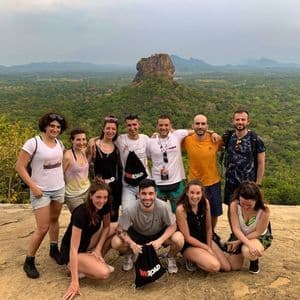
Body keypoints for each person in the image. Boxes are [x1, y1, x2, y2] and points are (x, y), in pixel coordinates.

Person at [15, 112, 67, 278]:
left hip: (58, 188)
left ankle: (53, 248)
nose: (55, 129)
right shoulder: (33, 143)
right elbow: (20, 167)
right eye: (52, 126)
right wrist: (33, 187)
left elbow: (61, 165)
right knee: (43, 227)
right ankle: (29, 260)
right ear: (45, 126)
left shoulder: (59, 143)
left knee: (54, 220)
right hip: (41, 191)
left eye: (58, 127)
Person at [111, 178, 184, 274]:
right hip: (138, 234)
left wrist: (160, 240)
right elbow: (120, 230)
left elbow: (173, 226)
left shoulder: (163, 206)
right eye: (144, 193)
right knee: (115, 242)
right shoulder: (130, 208)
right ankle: (129, 254)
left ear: (156, 194)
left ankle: (170, 257)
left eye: (150, 193)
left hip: (158, 233)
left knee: (179, 239)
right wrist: (132, 244)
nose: (147, 197)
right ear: (138, 194)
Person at [60, 182, 116, 300]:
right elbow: (73, 249)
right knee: (104, 273)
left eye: (105, 197)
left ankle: (93, 258)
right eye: (98, 197)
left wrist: (98, 249)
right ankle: (77, 269)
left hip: (88, 242)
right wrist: (74, 282)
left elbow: (106, 227)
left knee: (116, 227)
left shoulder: (105, 205)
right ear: (91, 196)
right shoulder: (80, 213)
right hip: (72, 251)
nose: (102, 201)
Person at [176, 179, 231, 272]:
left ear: (202, 193)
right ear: (186, 193)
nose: (195, 196)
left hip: (204, 239)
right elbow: (187, 237)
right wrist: (206, 248)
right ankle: (191, 259)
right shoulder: (181, 209)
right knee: (215, 266)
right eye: (192, 193)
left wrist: (209, 246)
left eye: (198, 193)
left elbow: (209, 228)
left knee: (226, 267)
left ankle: (202, 257)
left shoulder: (205, 203)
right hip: (189, 244)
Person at [182, 114, 223, 231]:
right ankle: (195, 233)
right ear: (193, 126)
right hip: (194, 183)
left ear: (207, 126)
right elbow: (170, 133)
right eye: (197, 124)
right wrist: (157, 135)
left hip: (213, 182)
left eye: (203, 124)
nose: (200, 126)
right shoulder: (186, 140)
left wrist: (213, 133)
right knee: (192, 211)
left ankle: (211, 232)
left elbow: (227, 142)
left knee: (214, 212)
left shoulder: (215, 140)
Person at [227, 181, 272, 274]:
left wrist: (241, 242)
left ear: (256, 201)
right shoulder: (234, 205)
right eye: (243, 203)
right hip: (240, 234)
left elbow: (258, 232)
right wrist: (244, 241)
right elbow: (236, 228)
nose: (245, 207)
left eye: (249, 205)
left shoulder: (264, 210)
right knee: (233, 266)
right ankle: (245, 248)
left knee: (248, 251)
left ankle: (254, 261)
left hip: (257, 236)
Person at [146, 115, 189, 213]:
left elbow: (195, 130)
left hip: (176, 183)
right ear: (157, 126)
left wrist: (212, 133)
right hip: (158, 184)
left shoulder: (177, 135)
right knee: (158, 215)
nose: (163, 128)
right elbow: (148, 156)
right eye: (161, 125)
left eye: (166, 125)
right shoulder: (150, 142)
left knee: (180, 213)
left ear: (170, 126)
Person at [224, 110, 266, 205]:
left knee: (250, 211)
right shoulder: (228, 137)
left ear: (248, 121)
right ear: (233, 121)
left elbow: (261, 163)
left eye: (243, 119)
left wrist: (258, 184)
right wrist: (212, 133)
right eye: (237, 119)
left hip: (249, 185)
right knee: (232, 209)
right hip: (231, 184)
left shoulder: (256, 140)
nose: (240, 122)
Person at [88, 115, 123, 222]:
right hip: (99, 186)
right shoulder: (94, 146)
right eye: (108, 128)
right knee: (97, 216)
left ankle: (110, 238)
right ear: (103, 129)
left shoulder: (117, 146)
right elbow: (85, 164)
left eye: (113, 129)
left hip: (115, 187)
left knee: (113, 216)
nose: (110, 131)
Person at [115, 113, 150, 211]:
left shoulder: (145, 138)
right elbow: (106, 137)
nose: (132, 128)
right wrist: (93, 139)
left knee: (147, 210)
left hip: (145, 181)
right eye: (129, 125)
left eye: (134, 124)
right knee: (126, 210)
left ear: (139, 124)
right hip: (128, 184)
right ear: (126, 126)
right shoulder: (120, 139)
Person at [63, 128, 90, 213]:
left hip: (87, 191)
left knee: (90, 216)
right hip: (73, 195)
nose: (81, 142)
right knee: (80, 219)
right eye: (78, 139)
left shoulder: (83, 151)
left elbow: (101, 138)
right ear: (72, 140)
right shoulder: (68, 156)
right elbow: (59, 175)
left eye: (84, 139)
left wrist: (93, 139)